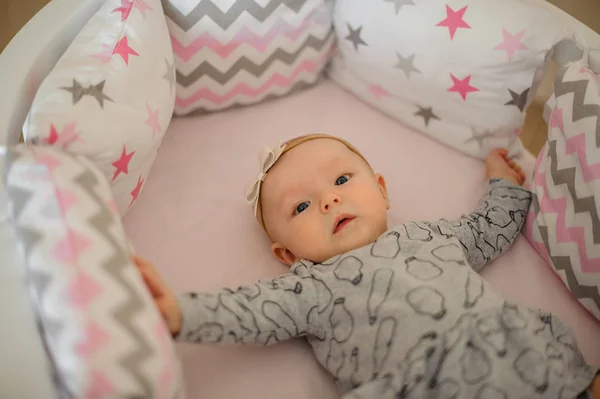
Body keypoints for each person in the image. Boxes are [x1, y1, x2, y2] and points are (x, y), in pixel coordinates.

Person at [134, 134, 599, 398]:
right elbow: (252, 310)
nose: (329, 199)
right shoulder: (311, 288)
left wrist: (501, 182)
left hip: (521, 357)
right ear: (288, 256)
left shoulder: (432, 235)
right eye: (300, 208)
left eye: (340, 179)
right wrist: (182, 313)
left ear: (381, 190)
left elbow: (490, 227)